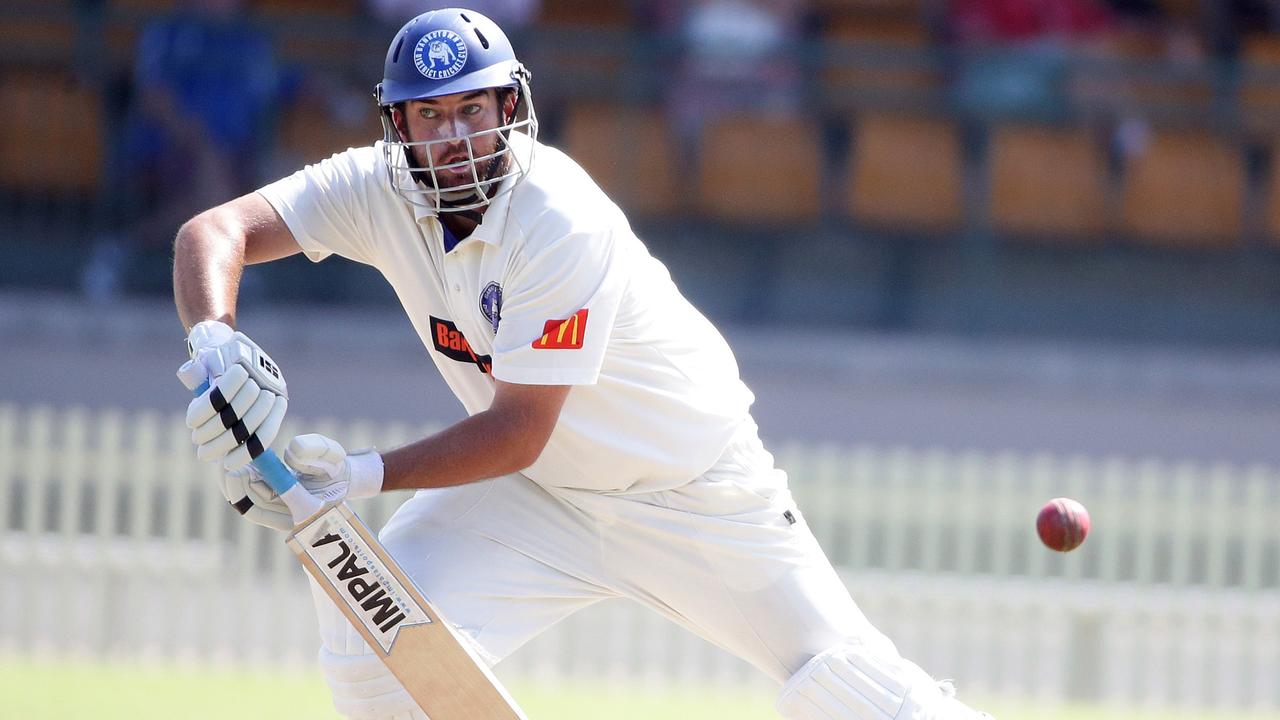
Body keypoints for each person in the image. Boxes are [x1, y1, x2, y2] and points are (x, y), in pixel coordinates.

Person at [171, 8, 994, 719]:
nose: (455, 137)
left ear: (511, 107)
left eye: (473, 110)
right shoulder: (375, 190)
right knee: (374, 651)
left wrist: (360, 474)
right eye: (431, 117)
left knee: (845, 686)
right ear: (399, 127)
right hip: (535, 499)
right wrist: (215, 344)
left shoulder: (556, 216)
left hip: (693, 490)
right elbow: (212, 232)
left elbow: (520, 428)